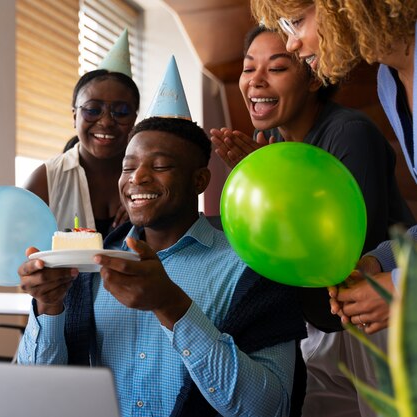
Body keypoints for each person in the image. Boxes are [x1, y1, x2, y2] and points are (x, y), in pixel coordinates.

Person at [17, 58, 307, 417]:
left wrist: (172, 306)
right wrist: (48, 307)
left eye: (159, 166)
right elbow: (37, 392)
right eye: (127, 166)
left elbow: (270, 408)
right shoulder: (91, 267)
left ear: (199, 181)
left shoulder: (251, 267)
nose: (137, 178)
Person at [210, 25, 414, 417]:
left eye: (278, 68)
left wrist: (272, 183)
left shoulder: (348, 133)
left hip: (380, 313)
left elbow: (349, 257)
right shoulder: (272, 147)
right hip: (318, 320)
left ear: (313, 77)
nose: (256, 81)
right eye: (248, 68)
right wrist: (262, 176)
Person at [249, 0, 417, 336]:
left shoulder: (349, 130)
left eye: (296, 22)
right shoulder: (388, 79)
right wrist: (381, 262)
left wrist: (402, 288)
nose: (292, 43)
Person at [24, 30, 139, 238]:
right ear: (75, 116)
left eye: (121, 112)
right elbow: (21, 252)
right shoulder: (46, 180)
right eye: (93, 110)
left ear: (134, 119)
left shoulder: (147, 179)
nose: (106, 122)